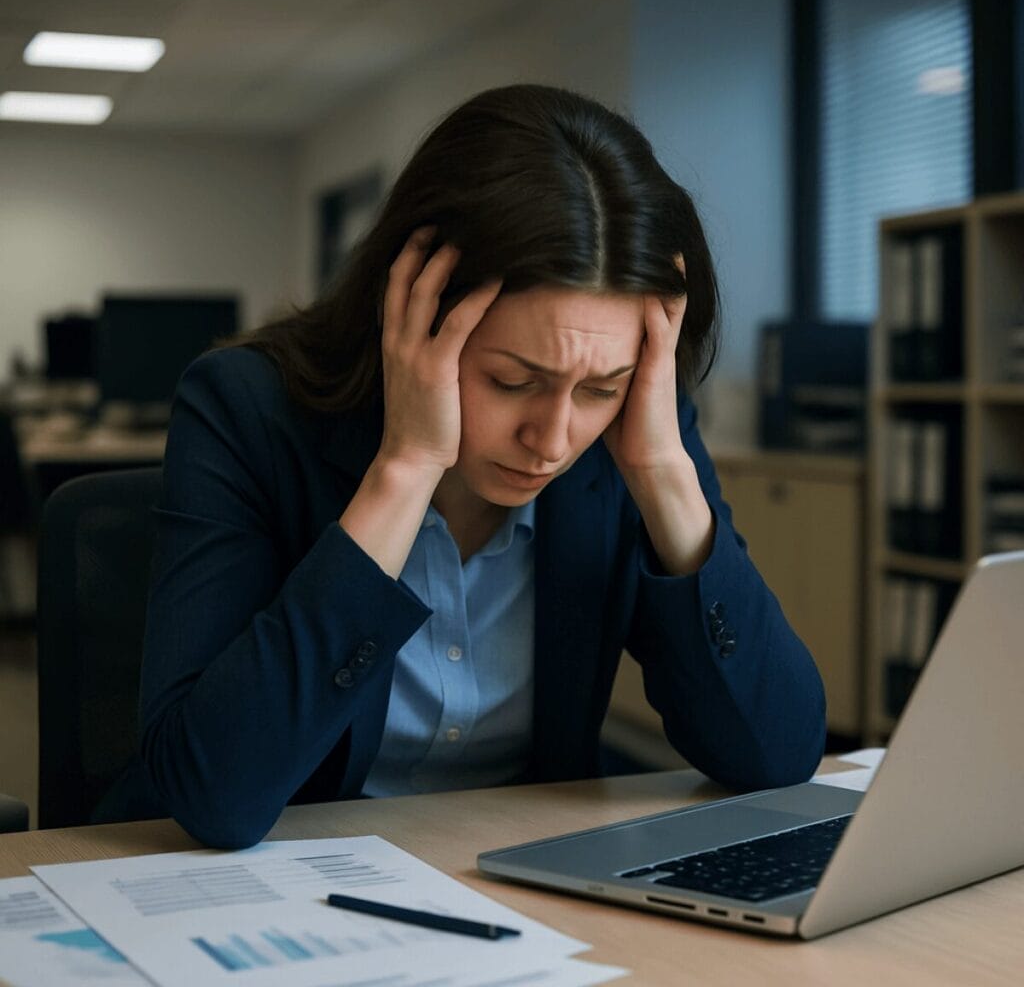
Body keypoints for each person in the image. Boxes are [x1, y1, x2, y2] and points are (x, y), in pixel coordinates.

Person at [115, 84, 825, 849]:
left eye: (599, 387)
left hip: (523, 893)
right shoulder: (246, 412)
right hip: (283, 889)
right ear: (414, 314)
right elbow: (213, 794)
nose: (553, 438)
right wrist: (406, 468)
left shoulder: (632, 435)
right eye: (512, 381)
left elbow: (776, 754)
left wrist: (661, 467)